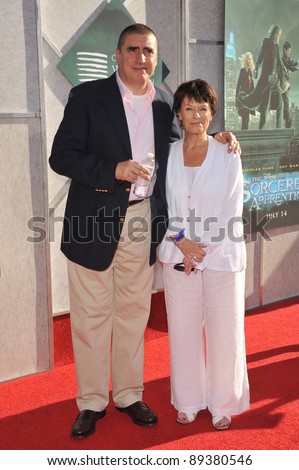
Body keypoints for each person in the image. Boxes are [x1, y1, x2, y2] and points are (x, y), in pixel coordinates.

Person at [49, 23, 240, 439]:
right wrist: (112, 171)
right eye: (132, 49)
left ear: (156, 58)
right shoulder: (87, 98)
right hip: (92, 221)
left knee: (134, 313)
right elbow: (61, 156)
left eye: (148, 51)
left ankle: (129, 394)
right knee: (91, 317)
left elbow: (185, 149)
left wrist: (220, 139)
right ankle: (92, 401)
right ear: (117, 55)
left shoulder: (162, 107)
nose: (141, 58)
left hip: (142, 221)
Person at [159, 79, 249, 430]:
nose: (196, 115)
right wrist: (182, 241)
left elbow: (232, 209)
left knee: (225, 331)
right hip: (177, 254)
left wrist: (202, 252)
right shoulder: (166, 155)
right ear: (179, 114)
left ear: (212, 113)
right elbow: (159, 204)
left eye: (203, 108)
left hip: (222, 257)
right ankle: (188, 400)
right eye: (189, 108)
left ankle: (223, 402)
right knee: (182, 332)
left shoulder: (227, 153)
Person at [238, 25, 284, 129]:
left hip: (275, 80)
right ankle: (261, 128)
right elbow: (260, 55)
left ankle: (279, 129)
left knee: (280, 104)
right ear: (275, 34)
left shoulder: (277, 46)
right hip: (267, 78)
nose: (279, 37)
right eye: (278, 34)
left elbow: (279, 62)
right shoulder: (266, 42)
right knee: (265, 105)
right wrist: (257, 67)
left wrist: (283, 71)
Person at [281, 40, 299, 128]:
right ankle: (287, 125)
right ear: (285, 49)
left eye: (290, 51)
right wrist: (291, 69)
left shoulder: (288, 59)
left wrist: (293, 68)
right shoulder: (281, 59)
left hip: (286, 87)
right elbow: (288, 67)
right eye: (288, 51)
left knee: (285, 105)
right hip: (281, 87)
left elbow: (296, 64)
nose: (289, 52)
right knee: (285, 105)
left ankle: (287, 124)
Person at [235, 52, 255, 129]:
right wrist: (237, 98)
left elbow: (252, 86)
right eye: (247, 59)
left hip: (249, 98)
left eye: (250, 59)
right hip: (243, 98)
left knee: (247, 118)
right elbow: (238, 85)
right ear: (245, 60)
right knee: (245, 117)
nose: (249, 60)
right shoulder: (243, 70)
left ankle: (245, 135)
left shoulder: (251, 72)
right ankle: (244, 135)